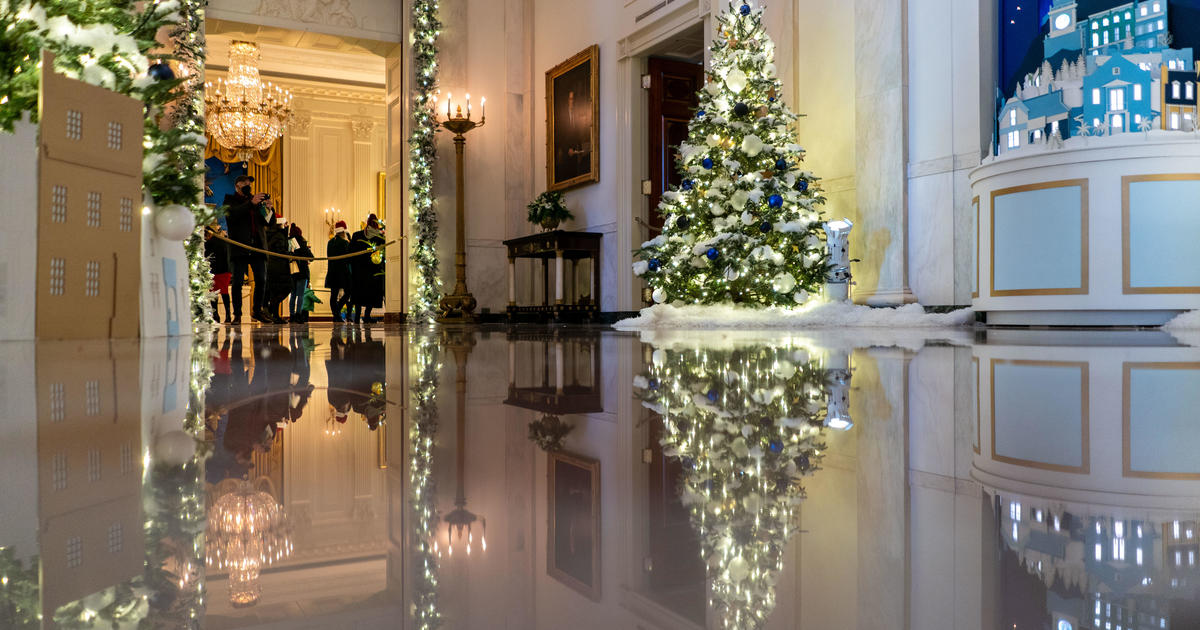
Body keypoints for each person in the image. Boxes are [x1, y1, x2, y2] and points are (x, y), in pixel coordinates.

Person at [223, 175, 274, 323]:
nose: (247, 184)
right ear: (237, 185)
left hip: (258, 246)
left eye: (249, 183)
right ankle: (237, 314)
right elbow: (233, 215)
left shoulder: (257, 202)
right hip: (240, 248)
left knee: (261, 279)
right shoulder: (229, 200)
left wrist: (269, 210)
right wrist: (251, 203)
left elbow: (268, 223)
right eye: (244, 182)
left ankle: (257, 311)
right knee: (237, 282)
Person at [350, 214, 386, 324]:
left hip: (358, 271)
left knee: (358, 295)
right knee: (371, 294)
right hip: (373, 271)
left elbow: (350, 253)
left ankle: (356, 317)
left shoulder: (357, 235)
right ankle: (366, 316)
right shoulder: (380, 238)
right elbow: (383, 255)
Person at [262, 213, 292, 323]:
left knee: (275, 292)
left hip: (271, 266)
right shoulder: (279, 236)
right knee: (287, 288)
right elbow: (280, 251)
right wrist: (290, 254)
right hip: (280, 267)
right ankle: (271, 310)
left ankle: (275, 315)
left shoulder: (268, 233)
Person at [205, 223, 233, 324]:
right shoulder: (224, 241)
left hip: (215, 271)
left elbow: (207, 256)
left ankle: (216, 315)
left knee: (214, 293)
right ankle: (228, 315)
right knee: (224, 292)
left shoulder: (209, 243)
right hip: (226, 270)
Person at [325, 220, 353, 322]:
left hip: (332, 272)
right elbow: (349, 258)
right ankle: (337, 311)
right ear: (343, 232)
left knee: (333, 295)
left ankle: (336, 315)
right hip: (343, 272)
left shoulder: (330, 243)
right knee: (348, 292)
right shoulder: (345, 243)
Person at [288, 224, 314, 324]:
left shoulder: (289, 243)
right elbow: (311, 257)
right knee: (300, 296)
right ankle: (298, 315)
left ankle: (291, 315)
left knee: (293, 295)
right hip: (302, 272)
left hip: (293, 272)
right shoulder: (302, 243)